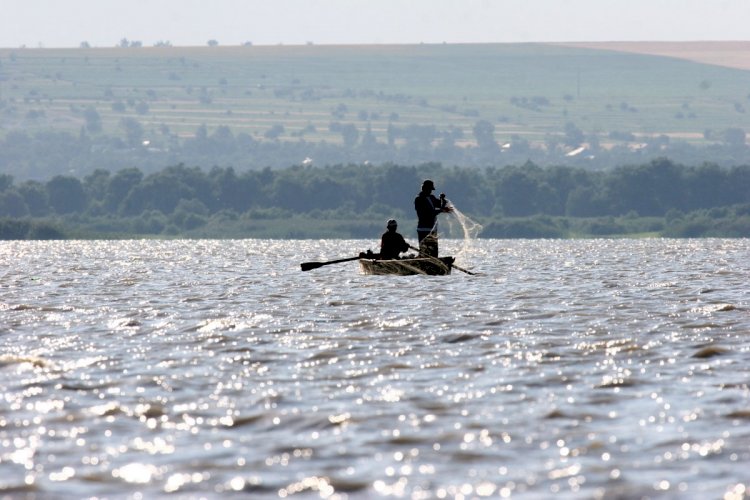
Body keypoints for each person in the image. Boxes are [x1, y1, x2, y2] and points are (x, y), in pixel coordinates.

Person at [414, 179, 453, 257]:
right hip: (424, 229)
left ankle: (433, 263)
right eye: (429, 189)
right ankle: (423, 264)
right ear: (424, 188)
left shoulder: (431, 197)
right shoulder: (419, 199)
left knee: (434, 253)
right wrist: (442, 210)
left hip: (432, 230)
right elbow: (428, 213)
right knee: (424, 251)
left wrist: (442, 199)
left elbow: (440, 204)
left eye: (431, 190)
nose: (430, 191)